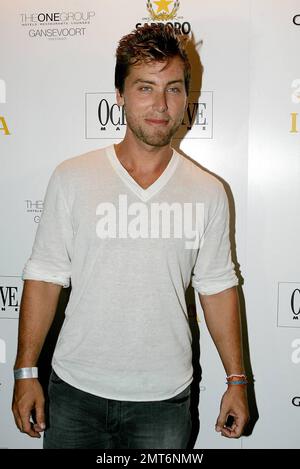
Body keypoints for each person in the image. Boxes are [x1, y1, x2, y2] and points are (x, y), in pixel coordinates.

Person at [12, 23, 249, 449]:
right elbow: (45, 277)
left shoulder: (209, 192)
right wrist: (26, 371)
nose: (160, 104)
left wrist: (236, 379)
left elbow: (217, 288)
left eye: (173, 89)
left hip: (164, 400)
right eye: (145, 88)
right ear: (119, 96)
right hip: (74, 393)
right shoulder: (73, 178)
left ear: (186, 99)